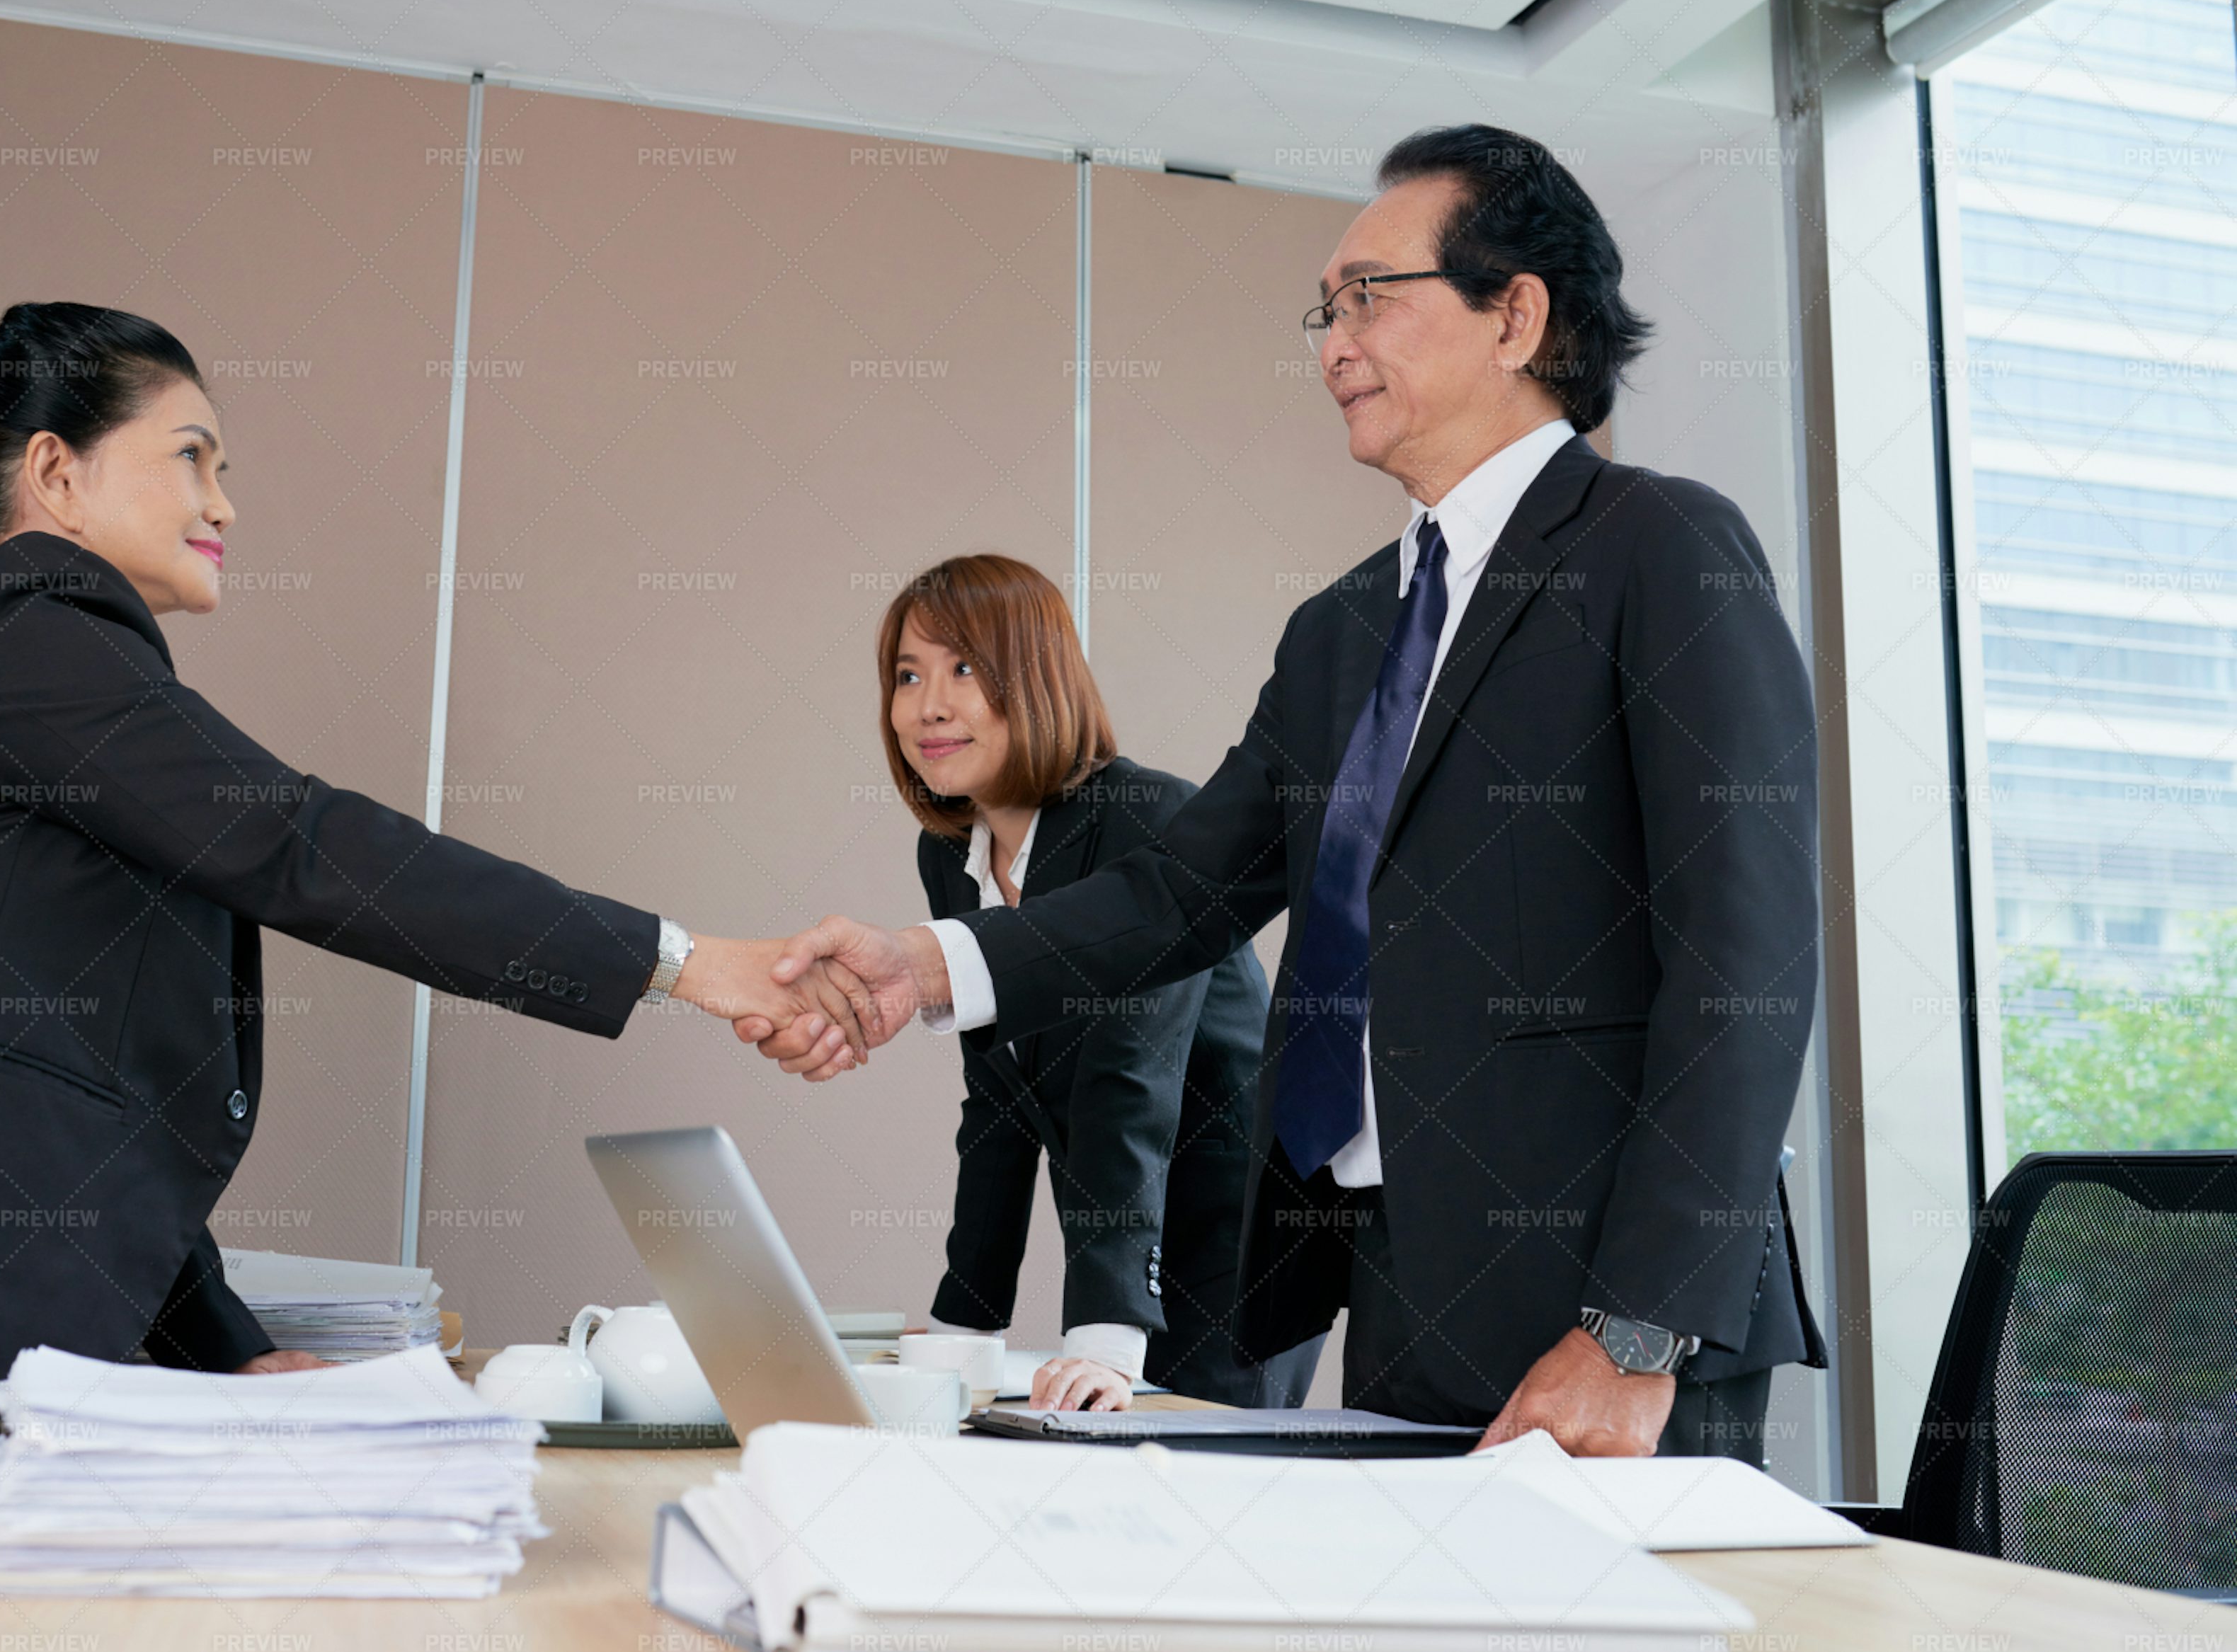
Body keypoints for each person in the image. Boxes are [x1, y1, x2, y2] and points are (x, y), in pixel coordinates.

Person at [0, 302, 864, 1651]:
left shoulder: (53, 678)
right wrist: (686, 962)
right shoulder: (19, 643)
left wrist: (225, 1343)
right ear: (56, 474)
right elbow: (303, 842)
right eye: (193, 457)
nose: (224, 502)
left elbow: (56, 1106)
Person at [755, 125, 1828, 1460]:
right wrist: (924, 966)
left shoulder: (1660, 548)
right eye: (1326, 308)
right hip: (1396, 1274)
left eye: (1371, 295)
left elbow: (1750, 964)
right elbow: (1175, 889)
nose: (1333, 341)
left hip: (1607, 1306)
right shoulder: (1344, 630)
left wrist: (1636, 1330)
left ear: (1518, 315)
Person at [878, 554, 1317, 1411]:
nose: (928, 704)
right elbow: (999, 1099)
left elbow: (1130, 1082)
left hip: (1232, 1247)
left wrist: (1108, 1336)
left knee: (1195, 1508)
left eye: (964, 667)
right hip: (1132, 1215)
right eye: (907, 674)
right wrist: (964, 1325)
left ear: (1037, 678)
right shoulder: (950, 857)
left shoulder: (1146, 821)